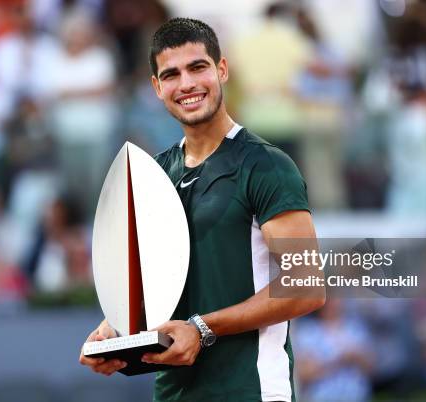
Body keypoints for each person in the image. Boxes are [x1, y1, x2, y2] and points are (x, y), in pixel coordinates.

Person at [79, 17, 325, 401]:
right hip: (174, 393)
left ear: (221, 69)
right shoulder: (156, 172)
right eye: (171, 74)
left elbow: (306, 287)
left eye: (198, 67)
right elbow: (153, 286)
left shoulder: (266, 165)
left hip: (251, 391)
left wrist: (202, 327)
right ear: (157, 88)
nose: (187, 84)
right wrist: (113, 328)